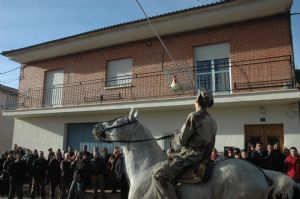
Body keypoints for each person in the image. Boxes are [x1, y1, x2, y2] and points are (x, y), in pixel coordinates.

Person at [154, 90, 217, 199]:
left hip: (191, 155)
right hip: (205, 157)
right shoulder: (212, 121)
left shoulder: (194, 116)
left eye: (196, 98)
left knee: (159, 175)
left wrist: (175, 137)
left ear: (197, 101)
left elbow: (181, 140)